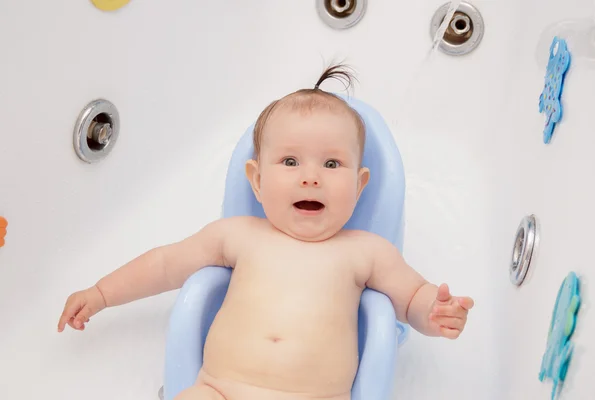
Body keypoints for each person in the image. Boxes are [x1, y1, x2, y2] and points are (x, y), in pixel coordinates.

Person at [58, 64, 475, 400]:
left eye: (331, 165)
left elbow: (412, 298)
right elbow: (165, 264)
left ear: (360, 185)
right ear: (256, 180)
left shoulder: (367, 252)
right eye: (290, 162)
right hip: (220, 390)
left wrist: (435, 312)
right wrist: (101, 294)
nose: (311, 178)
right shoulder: (238, 235)